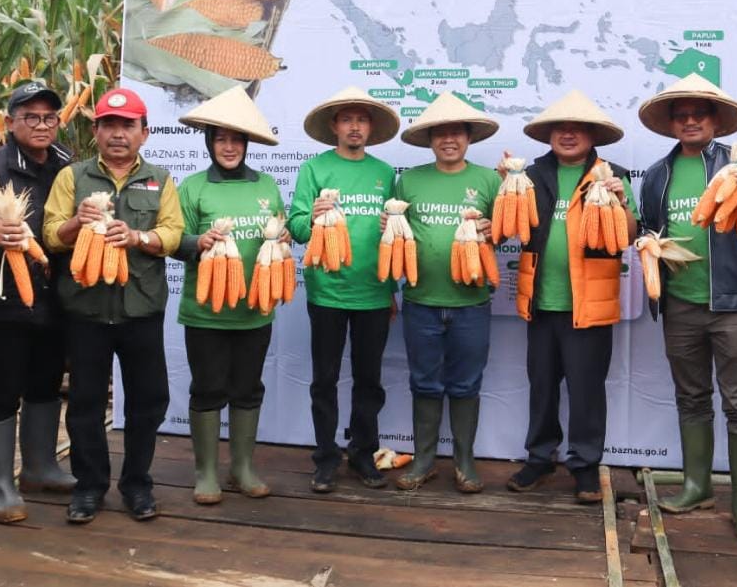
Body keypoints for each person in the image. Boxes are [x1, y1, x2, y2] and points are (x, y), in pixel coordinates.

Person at [636, 73, 737, 543]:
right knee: (691, 397)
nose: (690, 121)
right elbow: (648, 228)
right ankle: (696, 487)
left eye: (699, 114)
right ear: (671, 124)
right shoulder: (657, 174)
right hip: (679, 303)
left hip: (731, 304)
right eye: (681, 115)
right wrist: (644, 240)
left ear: (716, 121)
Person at [42, 87, 183, 524]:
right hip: (85, 310)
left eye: (127, 125)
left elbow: (173, 233)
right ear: (96, 131)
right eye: (109, 125)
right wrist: (76, 223)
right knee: (85, 402)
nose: (118, 134)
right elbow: (50, 234)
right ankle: (89, 487)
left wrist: (138, 237)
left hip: (141, 309)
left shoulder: (160, 179)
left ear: (145, 132)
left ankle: (137, 484)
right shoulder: (72, 177)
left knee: (149, 400)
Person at [505, 90, 638, 504]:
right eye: (560, 128)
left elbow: (629, 235)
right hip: (542, 301)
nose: (568, 134)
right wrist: (505, 185)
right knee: (542, 387)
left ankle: (584, 465)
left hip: (590, 304)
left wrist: (619, 201)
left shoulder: (613, 175)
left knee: (586, 390)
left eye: (577, 128)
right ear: (549, 135)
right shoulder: (530, 175)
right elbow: (509, 226)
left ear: (592, 135)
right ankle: (540, 458)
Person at [0, 80, 76, 524]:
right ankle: (2, 484)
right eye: (30, 117)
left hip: (54, 296)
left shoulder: (66, 163)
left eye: (49, 117)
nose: (41, 125)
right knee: (4, 387)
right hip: (4, 301)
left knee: (47, 381)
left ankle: (40, 467)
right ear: (10, 122)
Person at [174, 86, 284, 504]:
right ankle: (205, 472)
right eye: (220, 139)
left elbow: (278, 230)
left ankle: (242, 468)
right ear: (209, 142)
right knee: (207, 389)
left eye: (237, 139)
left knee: (248, 388)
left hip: (254, 310)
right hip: (205, 312)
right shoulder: (193, 187)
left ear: (247, 143)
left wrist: (283, 239)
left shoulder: (266, 185)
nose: (229, 147)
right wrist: (197, 242)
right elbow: (174, 240)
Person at [287, 86, 399, 493]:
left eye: (362, 119)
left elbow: (394, 236)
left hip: (374, 292)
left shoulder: (384, 173)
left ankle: (363, 454)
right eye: (347, 119)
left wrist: (392, 289)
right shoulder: (314, 170)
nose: (355, 126)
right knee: (325, 380)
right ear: (334, 126)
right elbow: (296, 228)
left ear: (370, 127)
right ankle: (325, 459)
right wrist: (312, 216)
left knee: (370, 381)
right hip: (327, 293)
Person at [391, 92, 501, 493]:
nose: (449, 139)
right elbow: (396, 236)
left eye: (457, 132)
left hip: (471, 303)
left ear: (468, 138)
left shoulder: (489, 180)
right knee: (424, 382)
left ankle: (464, 461)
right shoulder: (410, 180)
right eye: (440, 133)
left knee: (466, 384)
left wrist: (493, 230)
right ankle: (423, 460)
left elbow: (505, 233)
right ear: (430, 139)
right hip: (420, 301)